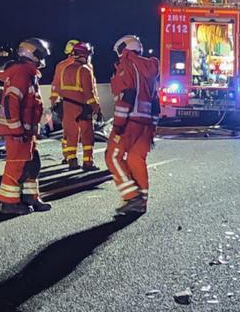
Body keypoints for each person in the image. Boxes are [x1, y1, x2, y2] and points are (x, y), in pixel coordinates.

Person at [106, 35, 160, 216]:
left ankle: (131, 196)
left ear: (123, 49)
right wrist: (152, 128)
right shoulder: (150, 69)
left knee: (112, 157)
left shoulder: (127, 66)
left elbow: (126, 97)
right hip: (146, 124)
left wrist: (119, 125)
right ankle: (141, 201)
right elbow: (155, 102)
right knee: (136, 159)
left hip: (130, 121)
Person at [0, 37, 51, 215]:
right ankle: (9, 203)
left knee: (33, 164)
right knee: (16, 166)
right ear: (32, 54)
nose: (42, 59)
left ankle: (30, 197)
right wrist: (16, 129)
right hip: (18, 132)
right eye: (40, 54)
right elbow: (10, 102)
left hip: (27, 132)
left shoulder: (29, 73)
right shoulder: (21, 73)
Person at [51, 41, 101, 171]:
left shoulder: (65, 68)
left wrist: (54, 102)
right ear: (86, 55)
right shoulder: (85, 70)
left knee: (70, 134)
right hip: (82, 108)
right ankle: (88, 163)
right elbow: (89, 94)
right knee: (87, 135)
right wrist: (97, 108)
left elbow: (58, 88)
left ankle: (71, 160)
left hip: (67, 106)